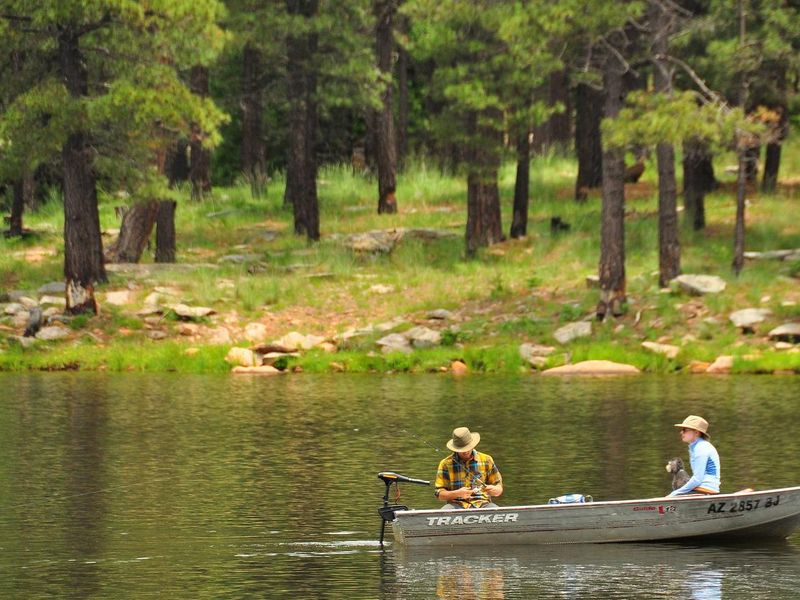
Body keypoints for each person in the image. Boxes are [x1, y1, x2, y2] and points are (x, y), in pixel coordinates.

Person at [435, 427, 503, 509]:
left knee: (496, 510)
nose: (466, 451)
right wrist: (457, 493)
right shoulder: (445, 464)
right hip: (455, 505)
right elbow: (439, 494)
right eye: (462, 449)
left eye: (468, 448)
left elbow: (499, 488)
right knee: (444, 512)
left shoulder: (487, 460)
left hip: (483, 504)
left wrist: (495, 490)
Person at [668, 415, 721, 497]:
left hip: (706, 490)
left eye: (685, 430)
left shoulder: (701, 447)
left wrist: (674, 494)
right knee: (680, 474)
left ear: (696, 432)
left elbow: (697, 479)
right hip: (703, 488)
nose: (681, 432)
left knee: (680, 479)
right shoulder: (697, 446)